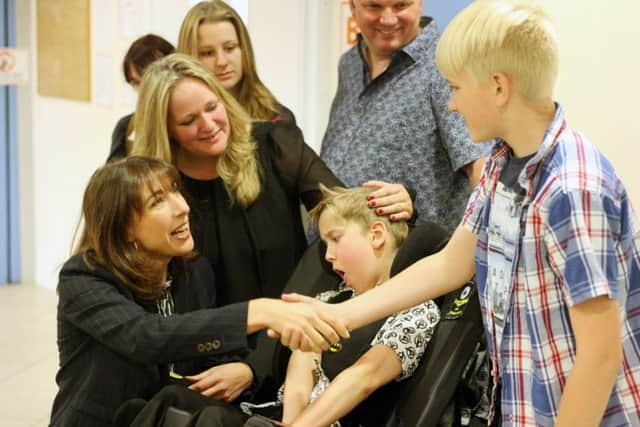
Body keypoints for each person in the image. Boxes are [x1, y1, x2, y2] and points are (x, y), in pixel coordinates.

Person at [285, 1, 640, 426]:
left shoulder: (573, 188)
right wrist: (337, 315)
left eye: (454, 88)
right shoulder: (500, 168)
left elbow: (600, 356)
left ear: (497, 87)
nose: (451, 105)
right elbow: (449, 265)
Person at [129, 53, 413, 401]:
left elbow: (344, 212)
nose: (209, 124)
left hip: (285, 349)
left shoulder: (276, 145)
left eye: (212, 106)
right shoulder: (157, 193)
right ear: (166, 131)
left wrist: (397, 200)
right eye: (189, 120)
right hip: (200, 363)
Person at [49, 156, 347, 427]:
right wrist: (260, 311)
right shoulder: (85, 275)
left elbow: (207, 350)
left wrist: (244, 370)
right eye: (157, 202)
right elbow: (143, 337)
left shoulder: (194, 271)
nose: (182, 207)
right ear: (125, 228)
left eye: (176, 191)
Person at [129, 184, 442, 427]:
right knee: (173, 399)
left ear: (376, 235)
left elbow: (362, 379)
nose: (328, 256)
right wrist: (291, 420)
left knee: (214, 421)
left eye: (335, 239)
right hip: (283, 416)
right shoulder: (330, 301)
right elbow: (301, 368)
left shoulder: (415, 309)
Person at [321, 0, 490, 231]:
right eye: (374, 6)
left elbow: (482, 170)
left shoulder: (445, 64)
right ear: (352, 6)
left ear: (420, 3)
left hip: (416, 256)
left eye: (400, 6)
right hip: (339, 251)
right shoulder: (349, 64)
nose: (388, 19)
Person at [177, 0, 295, 124]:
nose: (221, 62)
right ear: (190, 57)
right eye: (207, 53)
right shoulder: (177, 121)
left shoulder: (276, 117)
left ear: (244, 49)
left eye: (229, 48)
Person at [109, 34, 175, 160]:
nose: (144, 90)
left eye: (150, 79)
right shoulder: (127, 127)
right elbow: (113, 178)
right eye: (136, 82)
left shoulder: (197, 121)